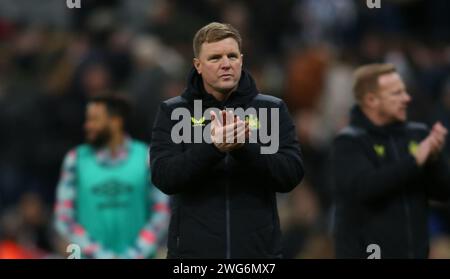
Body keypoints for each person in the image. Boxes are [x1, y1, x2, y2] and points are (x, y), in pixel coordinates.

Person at [150, 22, 304, 258]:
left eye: (232, 56)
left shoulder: (271, 109)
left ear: (241, 60)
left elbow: (290, 175)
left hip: (258, 256)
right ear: (198, 65)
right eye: (215, 58)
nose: (226, 64)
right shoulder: (173, 112)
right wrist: (213, 148)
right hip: (193, 257)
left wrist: (244, 149)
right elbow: (164, 177)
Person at [330, 63, 450, 258]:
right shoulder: (348, 142)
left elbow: (443, 192)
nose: (407, 98)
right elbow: (365, 188)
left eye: (404, 91)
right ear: (371, 100)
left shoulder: (417, 134)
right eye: (396, 94)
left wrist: (434, 157)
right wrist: (414, 160)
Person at [54, 95, 169, 259]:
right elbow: (64, 217)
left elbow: (161, 211)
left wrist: (134, 254)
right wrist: (101, 254)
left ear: (116, 121)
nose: (87, 126)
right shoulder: (75, 160)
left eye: (94, 120)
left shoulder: (146, 157)